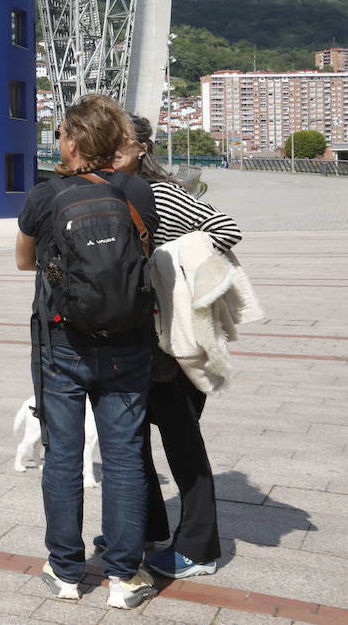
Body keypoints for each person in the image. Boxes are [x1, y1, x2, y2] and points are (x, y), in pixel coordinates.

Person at [15, 94, 160, 609]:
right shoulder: (138, 192)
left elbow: (23, 261)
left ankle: (66, 571)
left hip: (63, 344)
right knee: (124, 458)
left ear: (73, 141)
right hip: (129, 344)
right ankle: (124, 578)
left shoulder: (46, 194)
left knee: (64, 455)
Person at [115, 114, 239, 579]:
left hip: (177, 339)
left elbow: (225, 228)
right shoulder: (117, 190)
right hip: (141, 340)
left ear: (141, 147)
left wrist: (171, 264)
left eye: (119, 142)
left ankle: (199, 548)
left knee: (182, 439)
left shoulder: (162, 193)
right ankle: (144, 527)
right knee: (133, 436)